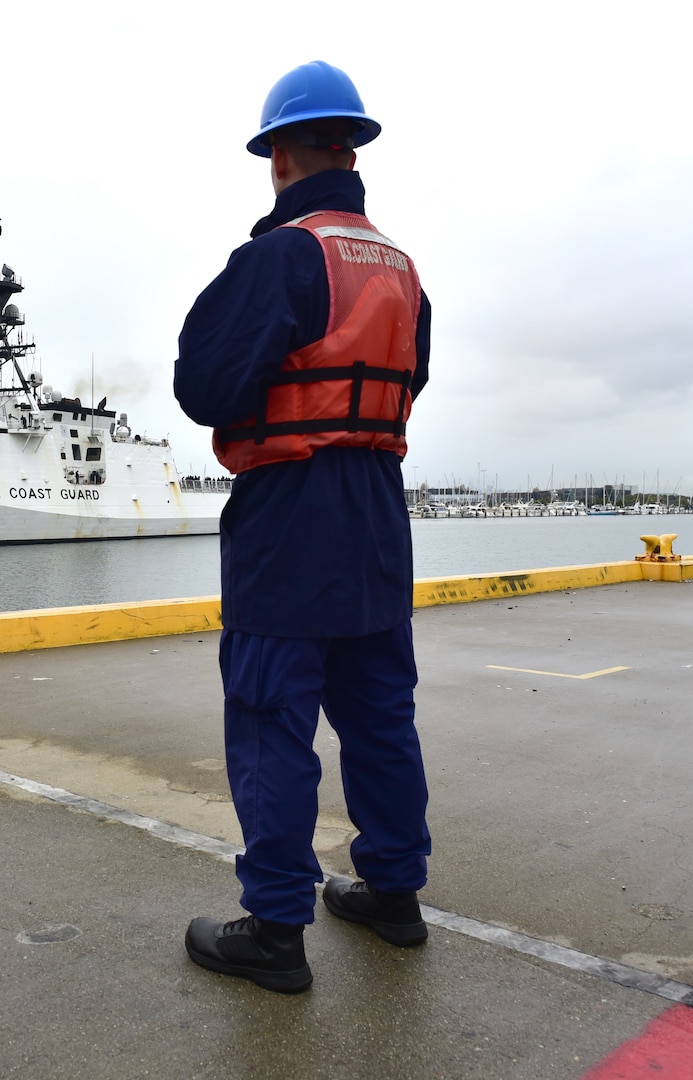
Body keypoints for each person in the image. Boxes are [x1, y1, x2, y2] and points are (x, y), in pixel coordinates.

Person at [174, 61, 433, 993]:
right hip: (376, 511)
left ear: (278, 153)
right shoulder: (402, 268)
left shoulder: (280, 257)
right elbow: (411, 377)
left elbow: (203, 383)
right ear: (351, 148)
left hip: (288, 511)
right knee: (379, 715)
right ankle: (395, 894)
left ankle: (276, 930)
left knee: (271, 719)